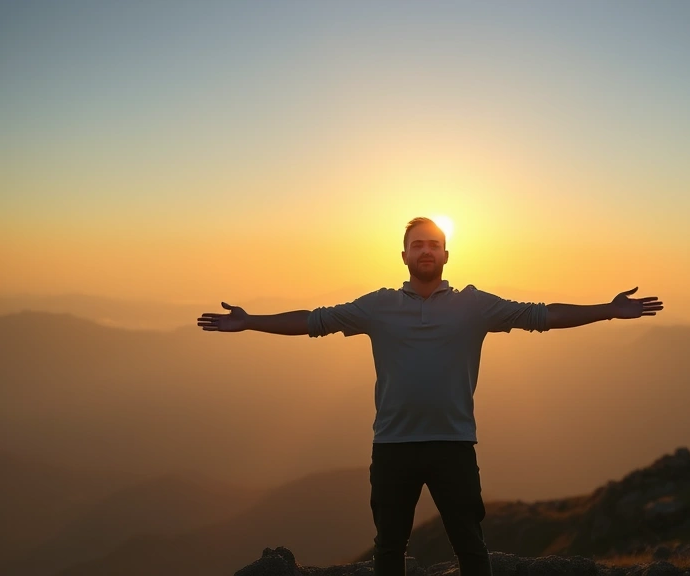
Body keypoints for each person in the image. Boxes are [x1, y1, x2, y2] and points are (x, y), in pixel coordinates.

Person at [197, 217, 663, 576]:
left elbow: (540, 314)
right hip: (392, 446)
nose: (426, 250)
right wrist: (251, 320)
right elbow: (314, 321)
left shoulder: (474, 305)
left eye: (433, 244)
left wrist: (608, 310)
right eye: (417, 244)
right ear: (403, 256)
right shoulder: (378, 306)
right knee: (389, 547)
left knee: (469, 545)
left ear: (446, 254)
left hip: (454, 444)